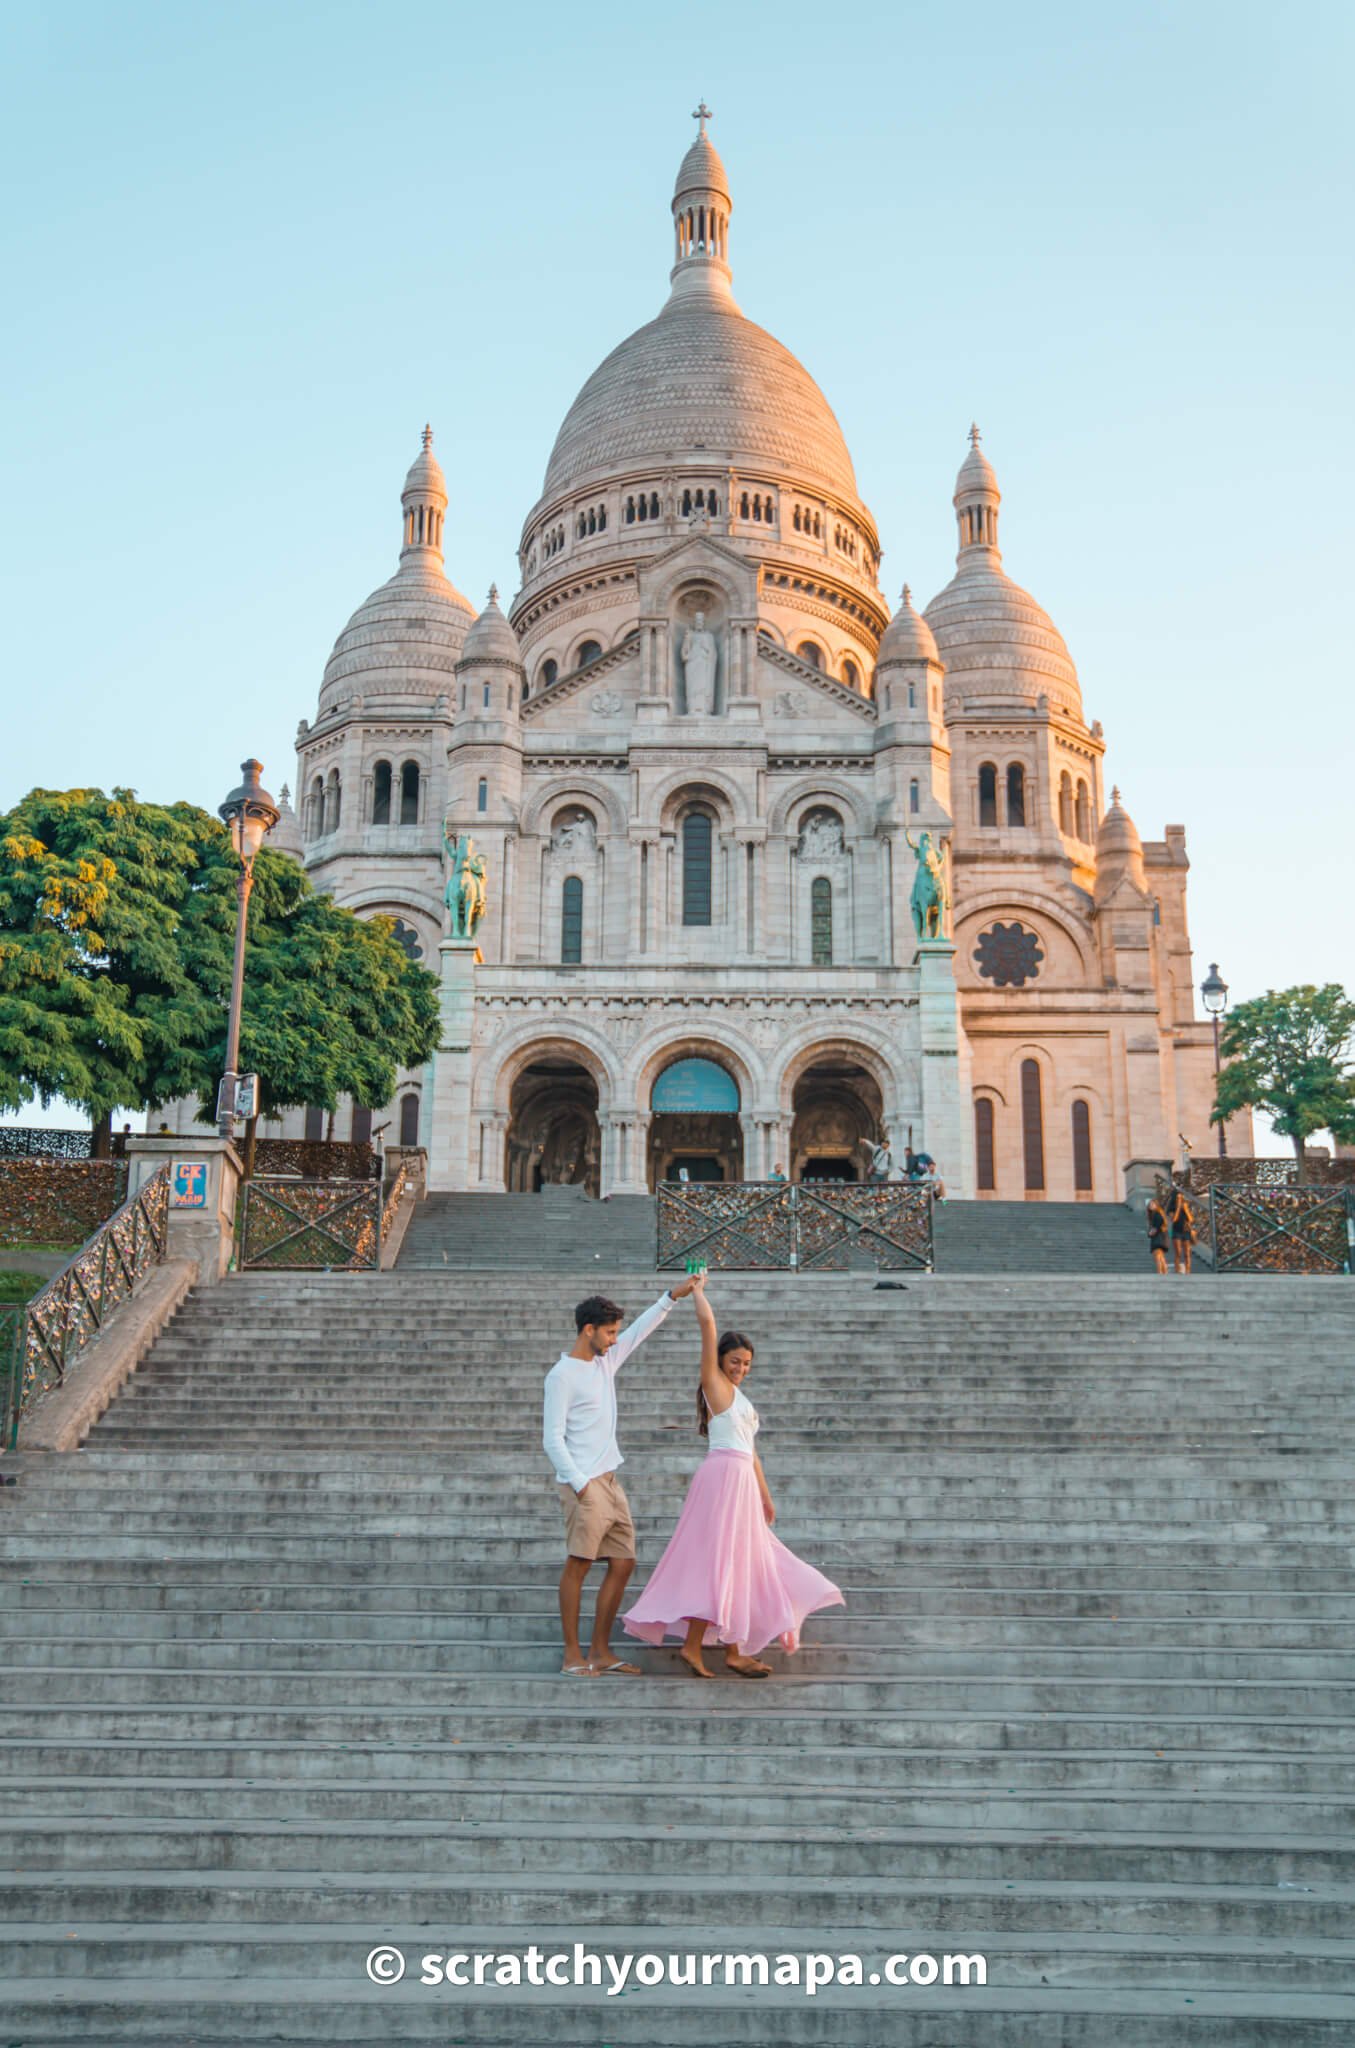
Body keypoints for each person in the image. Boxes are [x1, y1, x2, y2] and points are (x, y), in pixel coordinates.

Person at [622, 1276, 843, 1679]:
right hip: (722, 1477)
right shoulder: (715, 1386)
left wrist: (766, 1494)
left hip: (741, 1480)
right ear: (721, 1360)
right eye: (735, 1361)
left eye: (746, 1364)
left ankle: (718, 1649)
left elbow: (752, 1449)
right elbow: (708, 1328)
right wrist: (698, 1292)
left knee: (733, 1562)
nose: (740, 1369)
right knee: (721, 1561)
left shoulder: (740, 1398)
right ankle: (727, 1650)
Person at [542, 1280, 699, 1677]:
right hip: (584, 1484)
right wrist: (579, 1484)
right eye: (608, 1332)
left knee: (624, 1562)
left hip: (611, 1481)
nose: (614, 1339)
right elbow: (551, 1438)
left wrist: (672, 1296)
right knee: (578, 1565)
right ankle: (572, 1655)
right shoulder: (562, 1375)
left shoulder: (605, 1362)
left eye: (615, 1332)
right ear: (588, 1330)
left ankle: (600, 1651)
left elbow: (639, 1331)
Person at [1165, 1186, 1197, 1274]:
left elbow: (1191, 1220)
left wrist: (1186, 1209)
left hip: (1186, 1231)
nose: (1180, 1199)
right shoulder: (1171, 1208)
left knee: (1187, 1253)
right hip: (1176, 1231)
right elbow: (1174, 1219)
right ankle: (1177, 1270)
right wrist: (1178, 1208)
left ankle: (1188, 1270)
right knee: (1178, 1252)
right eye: (1178, 1197)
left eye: (1181, 1197)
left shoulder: (1186, 1205)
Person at [1145, 1192, 1170, 1275]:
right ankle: (1164, 1271)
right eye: (1150, 1204)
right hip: (1162, 1236)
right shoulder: (1158, 1213)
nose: (1150, 1206)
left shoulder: (1156, 1214)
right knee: (1161, 1256)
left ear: (1156, 1205)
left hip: (1158, 1237)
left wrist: (1151, 1232)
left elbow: (1157, 1226)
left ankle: (1159, 1272)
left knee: (1157, 1256)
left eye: (1152, 1204)